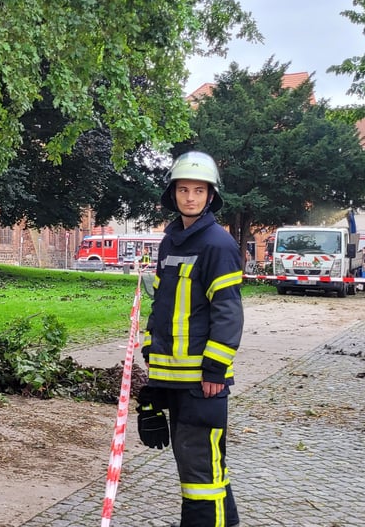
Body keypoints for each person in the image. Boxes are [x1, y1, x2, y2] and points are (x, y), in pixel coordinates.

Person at [137, 151, 243, 527]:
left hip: (203, 383)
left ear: (211, 195)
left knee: (201, 477)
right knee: (202, 467)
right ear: (173, 194)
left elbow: (228, 312)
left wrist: (216, 368)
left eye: (199, 190)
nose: (191, 197)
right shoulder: (171, 243)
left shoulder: (217, 244)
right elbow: (163, 307)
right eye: (184, 189)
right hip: (175, 379)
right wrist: (153, 372)